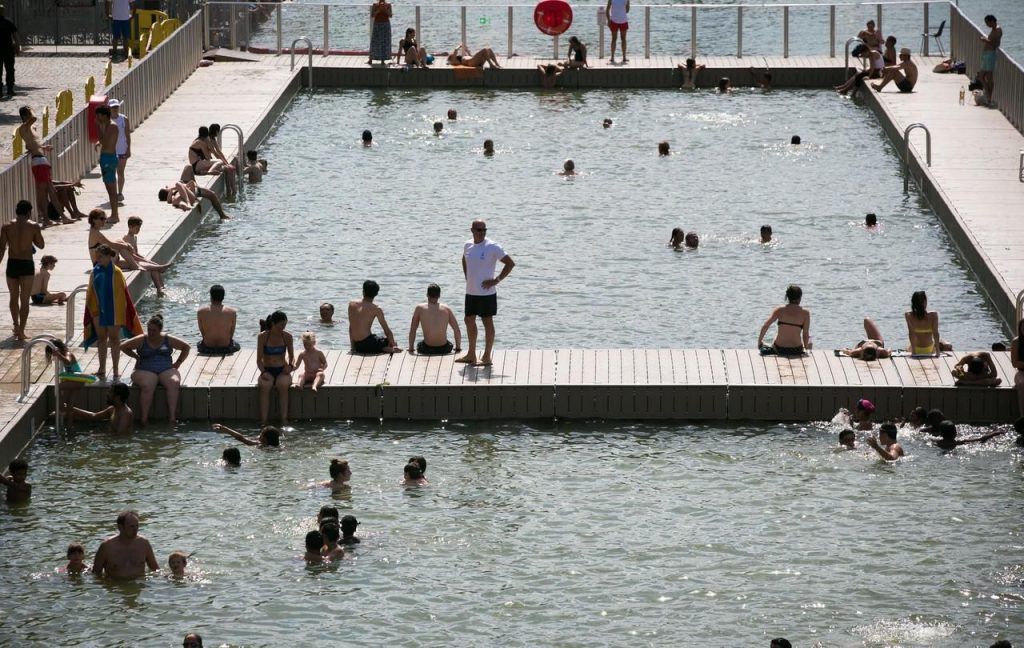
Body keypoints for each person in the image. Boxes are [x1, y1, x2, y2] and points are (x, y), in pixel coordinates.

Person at [457, 219, 515, 366]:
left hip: (486, 293)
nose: (482, 232)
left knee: (487, 322)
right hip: (471, 292)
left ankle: (487, 356)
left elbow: (510, 263)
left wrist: (496, 280)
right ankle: (471, 354)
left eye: (484, 230)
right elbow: (464, 258)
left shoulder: (492, 246)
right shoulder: (467, 245)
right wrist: (466, 275)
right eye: (479, 230)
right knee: (469, 320)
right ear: (472, 230)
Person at [83, 243, 144, 379]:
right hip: (98, 310)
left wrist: (120, 313)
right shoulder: (95, 272)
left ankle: (116, 369)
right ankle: (102, 369)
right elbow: (91, 293)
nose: (97, 259)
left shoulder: (116, 272)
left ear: (108, 256)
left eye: (100, 256)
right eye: (97, 256)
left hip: (114, 311)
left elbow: (122, 295)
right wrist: (93, 310)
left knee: (114, 339)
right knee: (101, 339)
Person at [121, 314, 190, 425]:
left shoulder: (167, 339)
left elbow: (186, 347)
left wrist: (178, 363)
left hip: (166, 369)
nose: (151, 333)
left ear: (160, 330)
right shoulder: (142, 339)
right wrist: (136, 357)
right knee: (148, 384)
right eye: (149, 330)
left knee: (174, 382)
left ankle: (172, 418)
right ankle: (144, 419)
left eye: (154, 330)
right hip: (144, 369)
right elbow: (123, 346)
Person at [1, 199, 44, 339]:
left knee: (13, 297)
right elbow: (41, 245)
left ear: (16, 211)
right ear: (29, 212)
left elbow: (1, 249)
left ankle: (15, 325)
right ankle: (21, 331)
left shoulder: (6, 226)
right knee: (24, 299)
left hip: (12, 263)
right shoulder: (33, 226)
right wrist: (33, 236)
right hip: (26, 263)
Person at [17, 107, 62, 230]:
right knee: (44, 193)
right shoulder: (24, 127)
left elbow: (32, 144)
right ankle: (47, 218)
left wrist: (43, 147)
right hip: (38, 161)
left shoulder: (31, 128)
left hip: (41, 159)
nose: (31, 114)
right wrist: (30, 110)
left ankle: (52, 218)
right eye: (29, 113)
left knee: (48, 191)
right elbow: (34, 118)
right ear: (25, 115)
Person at [92, 510, 160, 579]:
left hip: (138, 583)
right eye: (131, 526)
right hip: (116, 584)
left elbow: (155, 569)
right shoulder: (107, 546)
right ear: (120, 527)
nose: (135, 529)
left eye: (137, 526)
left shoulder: (144, 544)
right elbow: (96, 574)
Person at [257, 310, 294, 426]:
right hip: (267, 369)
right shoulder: (263, 337)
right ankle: (264, 421)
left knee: (282, 385)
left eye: (285, 324)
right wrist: (263, 372)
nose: (283, 327)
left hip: (282, 369)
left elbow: (292, 357)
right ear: (273, 323)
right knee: (265, 385)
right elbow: (258, 360)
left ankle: (284, 419)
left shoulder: (287, 336)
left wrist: (290, 366)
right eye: (281, 325)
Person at [48, 338, 95, 429]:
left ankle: (61, 408)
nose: (53, 354)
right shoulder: (63, 354)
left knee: (58, 387)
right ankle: (70, 427)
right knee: (70, 405)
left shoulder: (68, 354)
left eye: (52, 352)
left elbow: (68, 361)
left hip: (77, 381)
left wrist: (58, 355)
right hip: (76, 382)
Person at [119, 216, 170, 297]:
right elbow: (132, 256)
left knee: (154, 266)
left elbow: (136, 253)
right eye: (137, 228)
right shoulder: (126, 238)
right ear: (130, 227)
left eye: (139, 228)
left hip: (135, 259)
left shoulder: (134, 237)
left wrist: (145, 259)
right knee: (155, 267)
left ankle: (161, 288)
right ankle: (159, 288)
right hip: (131, 261)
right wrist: (145, 261)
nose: (138, 230)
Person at [349, 280, 401, 354]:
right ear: (376, 294)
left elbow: (351, 327)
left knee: (376, 339)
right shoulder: (376, 309)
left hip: (357, 345)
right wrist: (393, 344)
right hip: (368, 343)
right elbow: (386, 330)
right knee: (389, 341)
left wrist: (352, 347)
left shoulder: (351, 304)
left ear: (363, 291)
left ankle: (383, 348)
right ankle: (387, 349)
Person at [408, 283, 462, 355]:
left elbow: (413, 329)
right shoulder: (446, 308)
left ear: (427, 295)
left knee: (419, 344)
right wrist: (458, 348)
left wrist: (411, 348)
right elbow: (457, 330)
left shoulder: (419, 308)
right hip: (444, 349)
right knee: (449, 343)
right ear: (439, 296)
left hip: (427, 349)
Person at [757, 284, 811, 356]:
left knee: (775, 336)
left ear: (787, 297)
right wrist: (806, 348)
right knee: (810, 340)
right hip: (797, 349)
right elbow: (805, 334)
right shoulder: (805, 313)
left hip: (779, 349)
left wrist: (759, 342)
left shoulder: (779, 310)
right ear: (800, 298)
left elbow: (766, 326)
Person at [65, 382, 134, 434]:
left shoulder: (125, 414)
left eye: (110, 392)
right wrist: (70, 408)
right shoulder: (112, 409)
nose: (107, 394)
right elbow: (93, 416)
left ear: (118, 397)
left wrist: (99, 437)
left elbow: (120, 436)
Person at [158, 174, 231, 220]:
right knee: (179, 185)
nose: (167, 187)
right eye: (166, 189)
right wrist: (172, 189)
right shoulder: (173, 193)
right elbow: (169, 200)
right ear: (166, 192)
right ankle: (187, 203)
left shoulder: (174, 194)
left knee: (212, 194)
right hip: (191, 194)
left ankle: (222, 216)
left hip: (190, 194)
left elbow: (171, 198)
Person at [197, 284, 239, 355]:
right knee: (237, 345)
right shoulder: (232, 312)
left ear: (211, 296)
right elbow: (231, 332)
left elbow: (202, 332)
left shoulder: (201, 311)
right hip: (225, 348)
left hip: (208, 347)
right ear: (223, 297)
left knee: (199, 344)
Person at [95, 106, 120, 223]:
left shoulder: (111, 126)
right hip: (106, 158)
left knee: (112, 189)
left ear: (104, 115)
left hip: (109, 158)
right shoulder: (107, 126)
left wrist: (99, 127)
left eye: (99, 115)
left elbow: (104, 141)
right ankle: (114, 214)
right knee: (109, 189)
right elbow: (101, 140)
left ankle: (115, 215)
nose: (97, 118)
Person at [905, 290, 943, 356]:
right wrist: (937, 352)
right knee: (946, 344)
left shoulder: (908, 315)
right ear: (925, 302)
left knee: (906, 347)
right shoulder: (933, 315)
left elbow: (911, 334)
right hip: (930, 348)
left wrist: (914, 352)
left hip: (915, 349)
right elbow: (935, 334)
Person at [108, 99, 131, 203]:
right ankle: (113, 193)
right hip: (111, 150)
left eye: (116, 107)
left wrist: (128, 149)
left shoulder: (124, 119)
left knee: (120, 172)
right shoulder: (107, 120)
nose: (115, 109)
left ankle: (120, 193)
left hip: (122, 149)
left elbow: (127, 135)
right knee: (111, 173)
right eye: (113, 107)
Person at [206, 124, 238, 196]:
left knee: (230, 168)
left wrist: (227, 163)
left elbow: (219, 151)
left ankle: (231, 191)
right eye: (218, 131)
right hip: (206, 162)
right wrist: (225, 164)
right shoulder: (208, 140)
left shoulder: (213, 139)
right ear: (216, 131)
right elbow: (215, 154)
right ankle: (232, 191)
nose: (219, 133)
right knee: (229, 169)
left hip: (209, 161)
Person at [933, 420, 1007, 450]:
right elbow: (981, 439)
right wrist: (995, 433)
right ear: (955, 433)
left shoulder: (937, 443)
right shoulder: (958, 443)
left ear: (941, 433)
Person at [979, 15, 1001, 103]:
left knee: (989, 77)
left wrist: (985, 40)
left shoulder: (998, 30)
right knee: (981, 76)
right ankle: (988, 96)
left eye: (987, 23)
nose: (987, 25)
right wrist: (986, 40)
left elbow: (996, 44)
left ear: (992, 21)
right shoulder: (993, 29)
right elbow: (991, 41)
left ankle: (989, 97)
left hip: (990, 54)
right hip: (986, 54)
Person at [0, 5, 19, 98]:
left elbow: (15, 35)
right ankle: (10, 89)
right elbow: (15, 36)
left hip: (4, 50)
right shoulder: (8, 22)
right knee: (10, 70)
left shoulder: (9, 22)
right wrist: (17, 47)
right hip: (8, 49)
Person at [212, 422, 281, 447]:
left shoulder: (261, 444)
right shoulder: (277, 445)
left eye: (261, 434)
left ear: (265, 439)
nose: (259, 435)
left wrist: (225, 429)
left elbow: (241, 438)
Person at [368, 0, 392, 65]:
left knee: (385, 42)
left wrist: (385, 9)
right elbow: (372, 15)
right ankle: (371, 58)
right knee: (375, 41)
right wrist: (379, 10)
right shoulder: (375, 5)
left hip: (385, 24)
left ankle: (383, 60)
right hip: (377, 24)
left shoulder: (388, 5)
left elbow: (390, 15)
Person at [1012, 319, 1024, 416]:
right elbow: (1015, 363)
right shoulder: (1016, 342)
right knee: (1022, 384)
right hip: (1021, 372)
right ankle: (1022, 415)